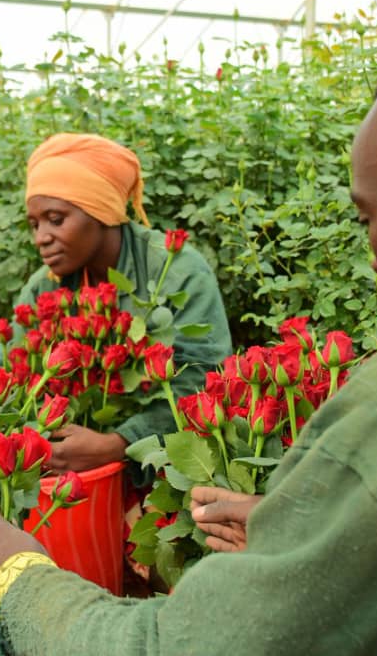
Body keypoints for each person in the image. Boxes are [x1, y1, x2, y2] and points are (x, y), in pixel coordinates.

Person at [0, 15, 377, 654]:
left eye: (365, 216)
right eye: (35, 222)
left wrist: (20, 580)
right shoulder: (41, 291)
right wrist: (301, 530)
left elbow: (188, 645)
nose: (368, 250)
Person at [12, 133, 232, 474]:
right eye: (35, 224)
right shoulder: (44, 287)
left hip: (168, 470)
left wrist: (120, 443)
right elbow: (11, 369)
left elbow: (205, 376)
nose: (41, 237)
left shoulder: (175, 271)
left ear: (99, 211)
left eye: (56, 219)